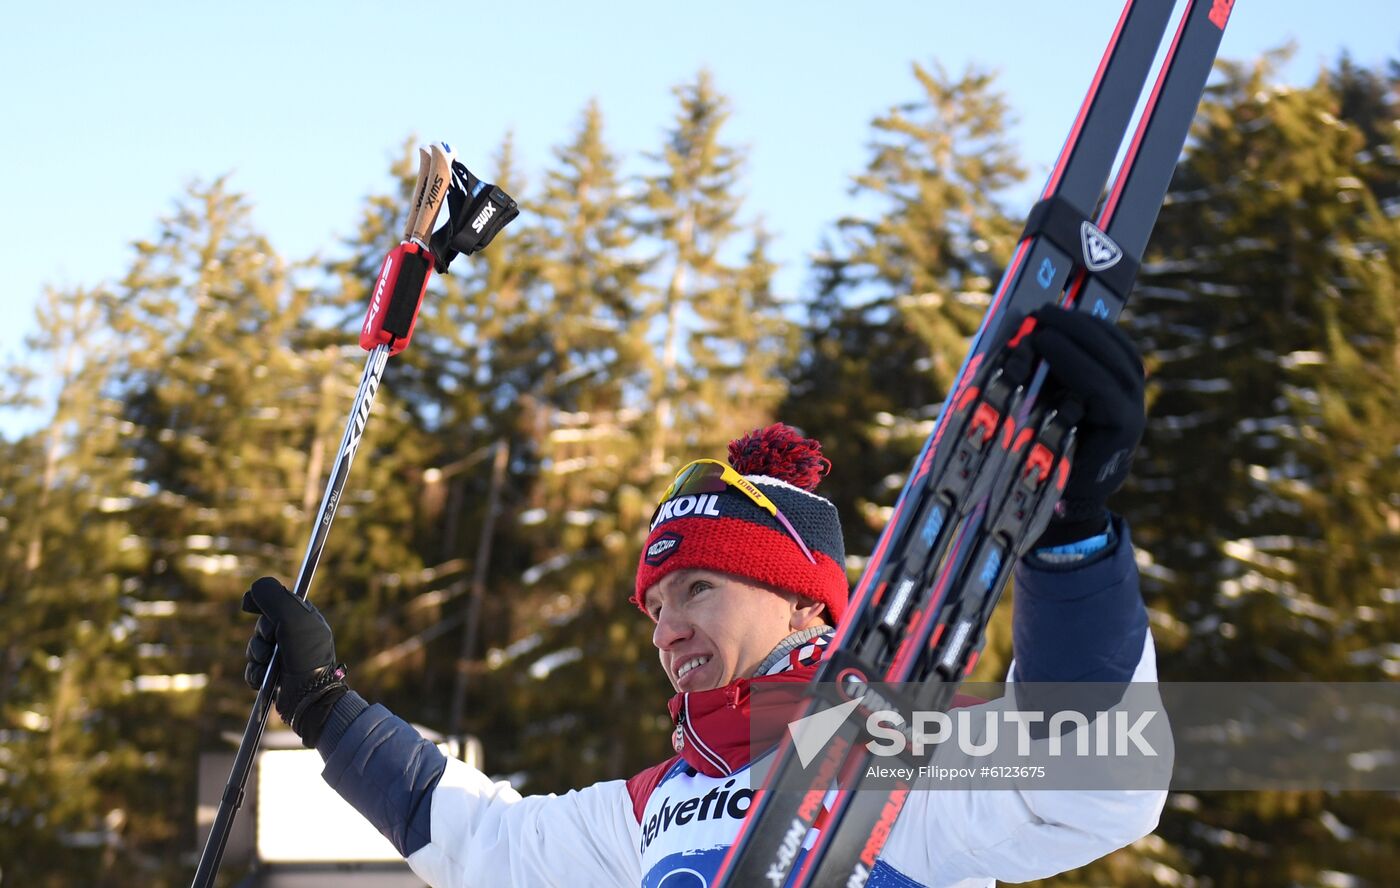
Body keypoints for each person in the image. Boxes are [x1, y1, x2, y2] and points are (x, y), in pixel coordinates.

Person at [243, 305, 1163, 887]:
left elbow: (1093, 785)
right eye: (654, 607)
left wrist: (1073, 536)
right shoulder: (658, 804)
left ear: (805, 603)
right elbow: (483, 844)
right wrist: (323, 705)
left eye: (699, 588)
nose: (668, 626)